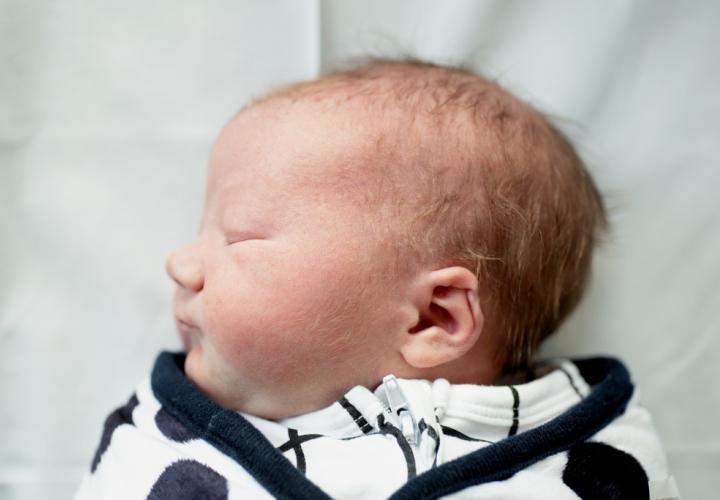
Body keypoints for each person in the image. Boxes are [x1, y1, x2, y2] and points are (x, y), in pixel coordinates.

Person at [75, 59, 679, 499]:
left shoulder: (587, 462)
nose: (181, 263)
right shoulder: (168, 445)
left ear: (431, 318)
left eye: (240, 239)